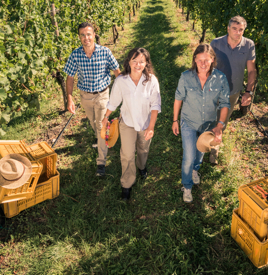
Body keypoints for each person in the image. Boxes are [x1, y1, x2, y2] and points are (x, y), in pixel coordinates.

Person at [172, 44, 230, 203]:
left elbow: (225, 103)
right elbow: (178, 99)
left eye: (207, 60)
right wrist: (175, 120)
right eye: (200, 60)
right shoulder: (186, 76)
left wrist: (220, 125)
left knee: (200, 152)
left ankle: (195, 170)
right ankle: (187, 185)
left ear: (212, 60)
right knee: (189, 156)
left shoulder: (220, 78)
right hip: (188, 121)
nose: (203, 63)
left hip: (208, 124)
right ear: (195, 60)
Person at [102, 48, 161, 200]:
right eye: (134, 61)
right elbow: (114, 101)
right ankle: (127, 184)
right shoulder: (121, 80)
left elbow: (155, 105)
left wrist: (151, 127)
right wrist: (106, 116)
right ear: (128, 61)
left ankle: (141, 166)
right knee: (127, 155)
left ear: (146, 63)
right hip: (127, 122)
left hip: (146, 123)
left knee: (143, 150)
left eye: (141, 61)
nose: (137, 64)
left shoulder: (151, 80)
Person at [64, 22, 121, 176]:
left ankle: (101, 162)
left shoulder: (105, 52)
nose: (86, 38)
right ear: (79, 37)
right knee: (93, 123)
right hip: (85, 97)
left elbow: (117, 71)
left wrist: (122, 92)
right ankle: (102, 138)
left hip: (102, 94)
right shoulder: (75, 55)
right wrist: (69, 98)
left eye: (88, 34)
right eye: (82, 35)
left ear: (94, 35)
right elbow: (69, 77)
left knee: (101, 125)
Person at [210, 15, 257, 164]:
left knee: (222, 120)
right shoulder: (216, 43)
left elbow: (251, 70)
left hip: (233, 91)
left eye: (241, 30)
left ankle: (214, 149)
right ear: (228, 28)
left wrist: (248, 91)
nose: (237, 32)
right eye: (234, 29)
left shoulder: (249, 45)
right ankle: (204, 141)